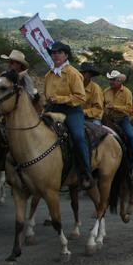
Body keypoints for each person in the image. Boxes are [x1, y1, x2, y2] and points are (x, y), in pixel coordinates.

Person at [43, 41, 92, 189]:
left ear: (65, 55)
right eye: (53, 53)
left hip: (72, 110)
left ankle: (86, 173)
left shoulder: (73, 73)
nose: (55, 55)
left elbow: (80, 97)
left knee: (78, 136)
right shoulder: (48, 75)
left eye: (59, 52)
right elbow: (46, 95)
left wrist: (60, 99)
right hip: (53, 109)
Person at [103, 70, 133, 168]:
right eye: (110, 79)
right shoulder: (105, 91)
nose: (111, 82)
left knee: (130, 136)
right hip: (108, 118)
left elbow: (129, 109)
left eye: (113, 80)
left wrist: (114, 107)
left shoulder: (127, 92)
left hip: (122, 119)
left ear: (119, 81)